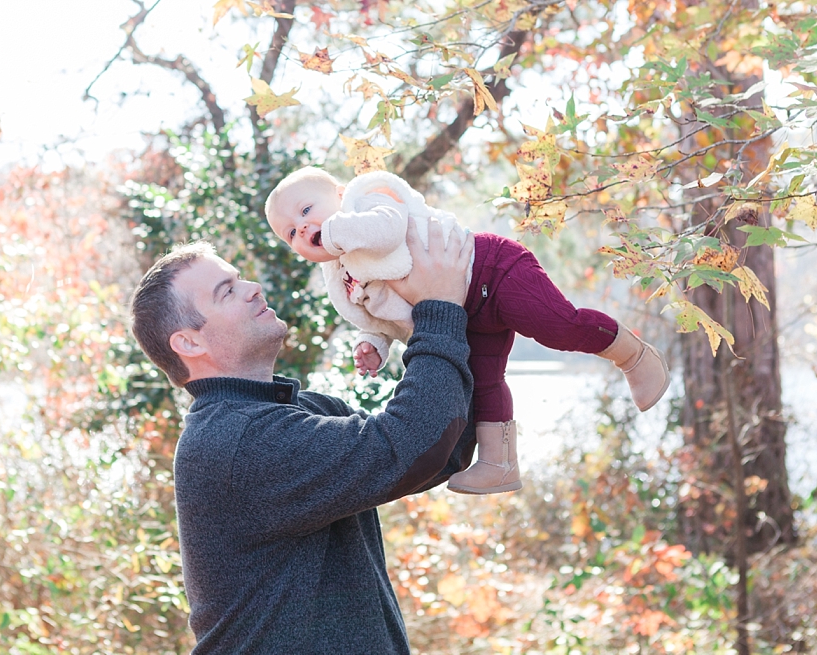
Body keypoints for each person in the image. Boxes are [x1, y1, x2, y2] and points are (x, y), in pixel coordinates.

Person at [129, 220, 477, 654]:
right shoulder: (238, 442)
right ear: (188, 342)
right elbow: (410, 445)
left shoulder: (303, 412)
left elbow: (441, 446)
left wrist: (446, 322)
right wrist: (439, 308)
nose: (253, 287)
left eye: (240, 279)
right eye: (227, 291)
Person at [264, 167, 670, 495]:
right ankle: (499, 463)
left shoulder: (366, 200)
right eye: (290, 234)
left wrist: (333, 232)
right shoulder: (344, 274)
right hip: (461, 315)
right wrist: (373, 343)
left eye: (305, 211)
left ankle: (632, 355)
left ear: (337, 193)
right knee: (483, 383)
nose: (303, 230)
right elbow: (381, 312)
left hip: (490, 269)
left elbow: (386, 230)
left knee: (557, 327)